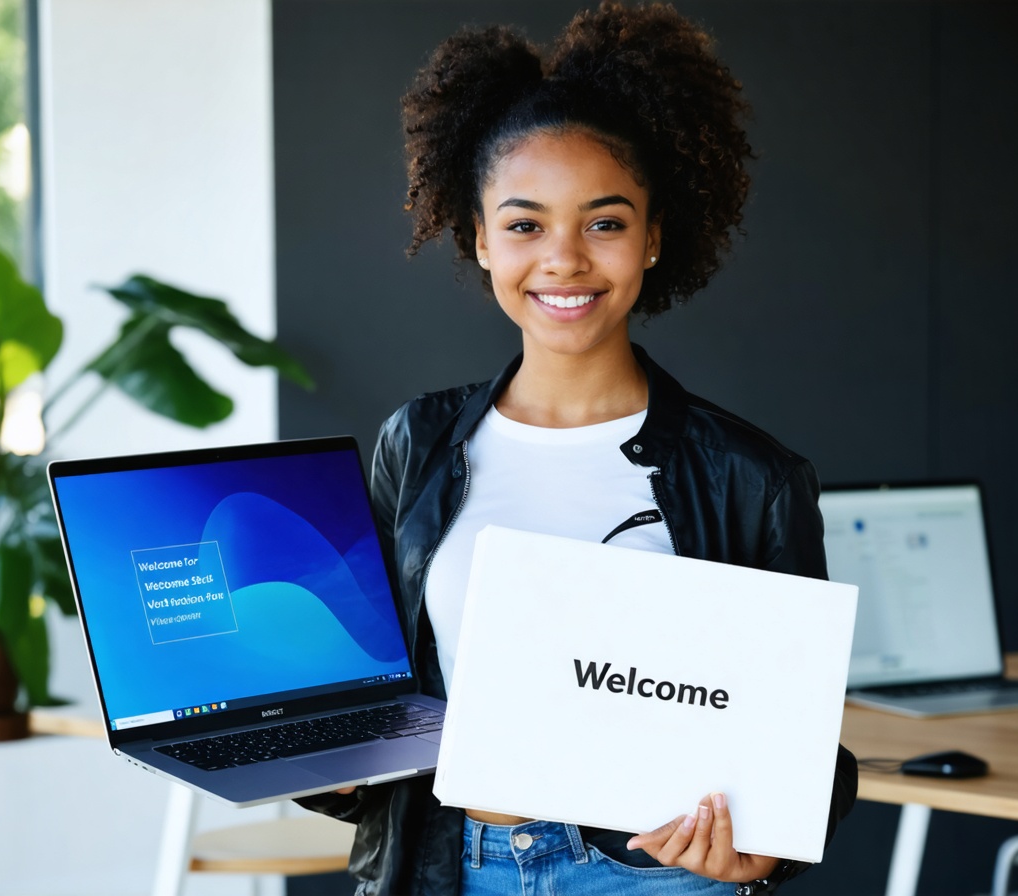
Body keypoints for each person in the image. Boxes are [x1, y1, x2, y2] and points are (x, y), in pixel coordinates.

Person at [297, 2, 857, 893]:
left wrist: (769, 846)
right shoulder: (419, 440)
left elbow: (802, 743)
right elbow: (376, 693)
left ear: (653, 238)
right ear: (479, 238)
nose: (563, 259)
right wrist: (316, 754)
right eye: (524, 225)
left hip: (650, 875)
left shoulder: (754, 478)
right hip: (447, 868)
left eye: (603, 222)